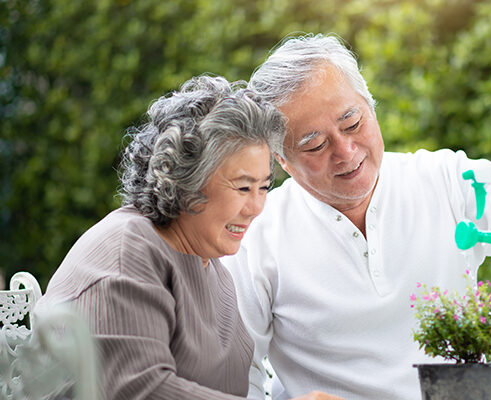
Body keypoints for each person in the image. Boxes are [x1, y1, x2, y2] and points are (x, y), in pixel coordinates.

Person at [224, 34, 491, 400]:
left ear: (370, 106)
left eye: (353, 123)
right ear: (281, 160)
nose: (346, 150)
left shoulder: (443, 179)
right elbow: (237, 376)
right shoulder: (257, 236)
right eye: (315, 144)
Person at [37, 75, 340, 400]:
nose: (256, 207)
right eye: (242, 187)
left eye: (264, 187)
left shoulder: (215, 271)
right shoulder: (126, 254)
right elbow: (139, 390)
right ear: (185, 180)